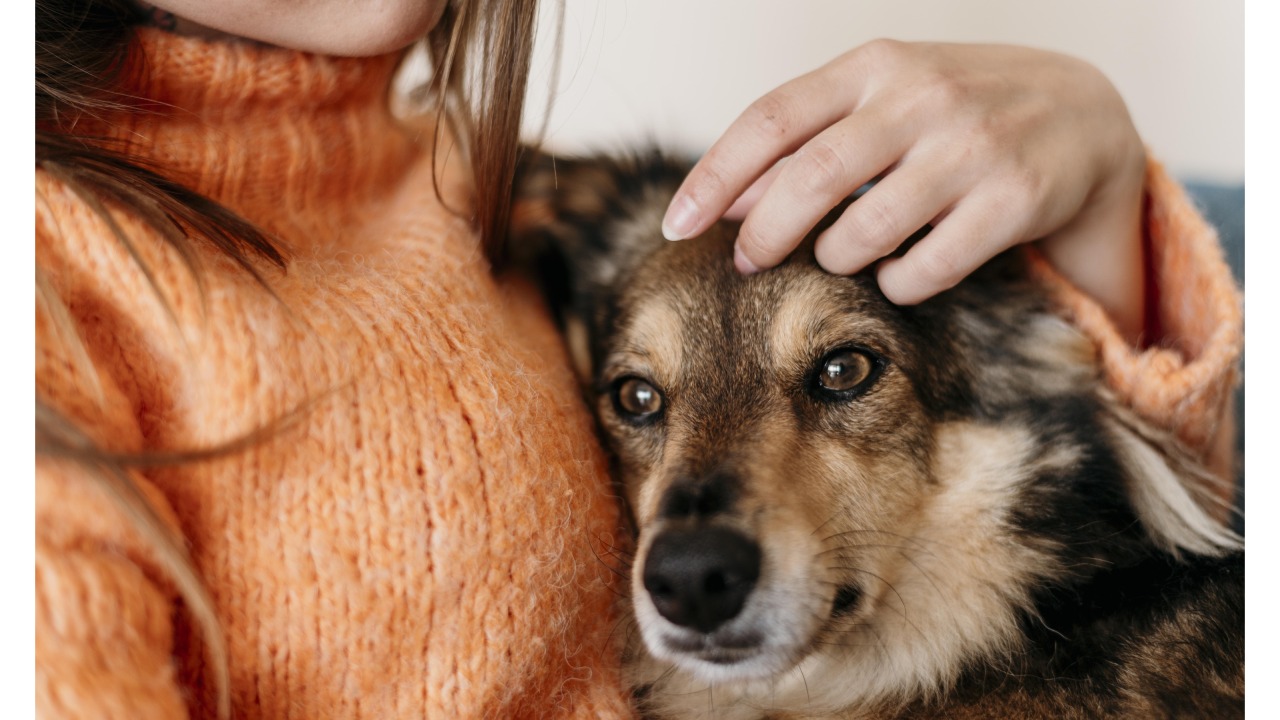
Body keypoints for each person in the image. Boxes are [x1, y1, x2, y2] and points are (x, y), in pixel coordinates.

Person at [34, 2, 1241, 719]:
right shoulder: (45, 278)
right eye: (639, 401)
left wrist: (1094, 183)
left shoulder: (517, 208)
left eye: (836, 377)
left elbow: (1126, 523)